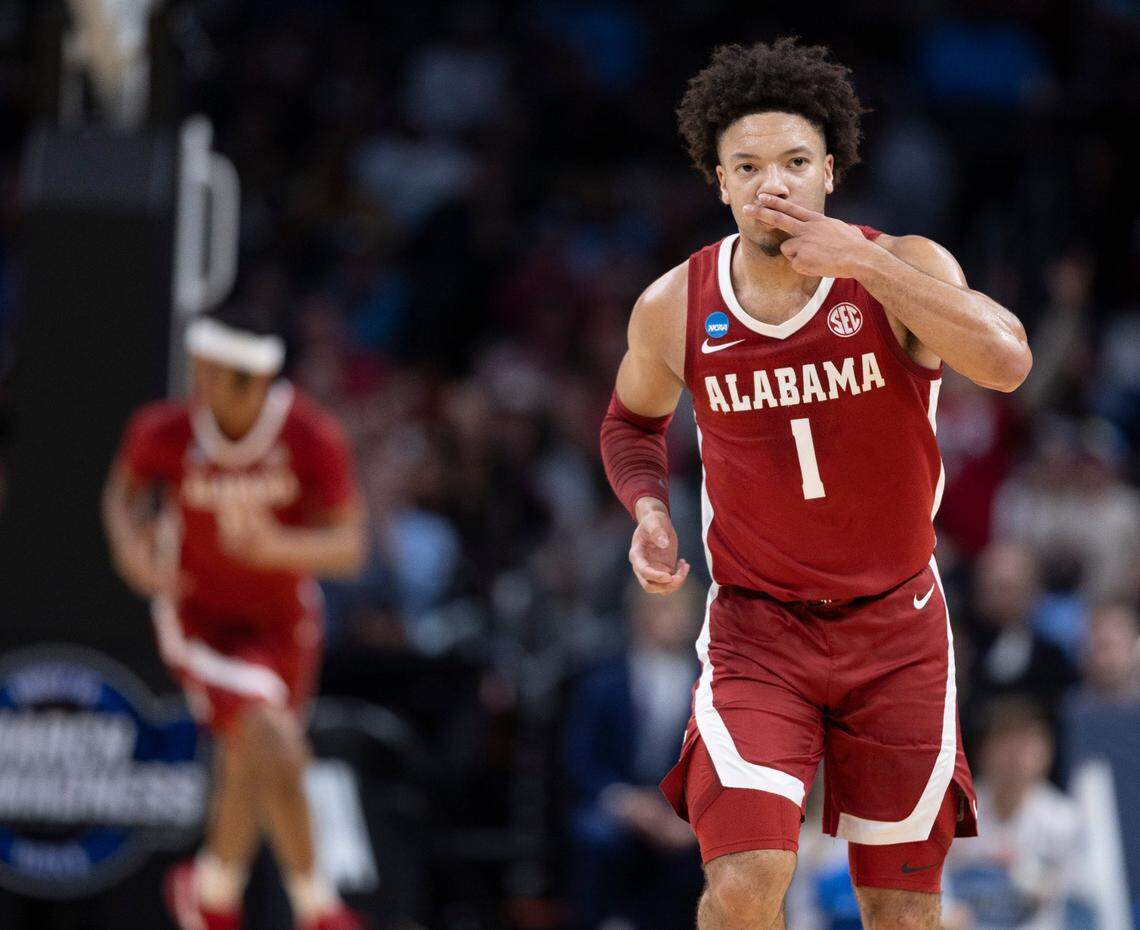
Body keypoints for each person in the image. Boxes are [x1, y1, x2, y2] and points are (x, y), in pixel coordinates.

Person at [599, 38, 1032, 930]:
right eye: (748, 166)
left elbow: (1008, 361)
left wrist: (867, 264)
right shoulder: (675, 304)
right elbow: (630, 423)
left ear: (829, 171)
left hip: (899, 628)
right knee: (747, 881)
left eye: (795, 163)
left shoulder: (905, 266)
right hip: (760, 629)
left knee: (900, 909)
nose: (774, 184)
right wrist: (647, 507)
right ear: (719, 183)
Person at [102, 306, 367, 930]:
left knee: (251, 757)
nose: (194, 377)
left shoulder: (310, 435)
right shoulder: (163, 429)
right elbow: (122, 493)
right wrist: (130, 549)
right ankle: (319, 910)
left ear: (249, 380)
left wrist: (277, 547)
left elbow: (350, 548)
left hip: (284, 621)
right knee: (273, 738)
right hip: (200, 618)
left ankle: (212, 893)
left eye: (209, 369)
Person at [563, 581, 703, 930]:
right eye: (668, 611)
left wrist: (691, 817)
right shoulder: (603, 682)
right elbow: (580, 761)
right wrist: (627, 804)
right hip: (617, 801)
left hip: (680, 810)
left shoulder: (708, 686)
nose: (679, 621)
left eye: (686, 612)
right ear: (640, 616)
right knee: (597, 836)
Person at [942, 699, 1083, 930]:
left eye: (1026, 743)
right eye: (1004, 741)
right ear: (983, 750)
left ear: (1046, 752)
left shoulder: (1064, 820)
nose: (1014, 755)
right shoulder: (955, 812)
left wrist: (1019, 868)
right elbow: (935, 889)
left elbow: (1074, 900)